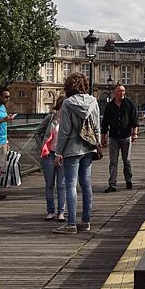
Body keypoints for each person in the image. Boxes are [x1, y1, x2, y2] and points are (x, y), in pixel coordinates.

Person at [53, 72, 100, 234]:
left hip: (72, 148)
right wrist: (97, 144)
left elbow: (65, 131)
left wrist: (58, 152)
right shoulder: (93, 101)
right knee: (86, 184)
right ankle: (86, 221)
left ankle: (71, 223)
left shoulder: (67, 103)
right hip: (88, 146)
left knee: (70, 185)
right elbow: (97, 126)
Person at [100, 83, 138, 193]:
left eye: (123, 91)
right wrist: (103, 136)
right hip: (113, 137)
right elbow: (105, 122)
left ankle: (128, 180)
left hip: (126, 135)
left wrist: (134, 133)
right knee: (113, 161)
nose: (121, 93)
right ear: (115, 93)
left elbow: (134, 119)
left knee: (127, 160)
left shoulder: (129, 104)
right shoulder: (110, 106)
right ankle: (112, 184)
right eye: (119, 91)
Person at [38, 95, 66, 220]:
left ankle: (61, 212)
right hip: (49, 154)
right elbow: (38, 132)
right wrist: (42, 145)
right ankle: (51, 211)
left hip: (63, 155)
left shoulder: (68, 120)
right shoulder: (50, 118)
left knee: (62, 185)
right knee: (49, 184)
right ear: (60, 105)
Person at [0, 87, 15, 202]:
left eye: (9, 96)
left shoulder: (3, 107)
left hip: (2, 141)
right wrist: (4, 119)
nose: (8, 99)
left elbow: (4, 126)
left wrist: (6, 141)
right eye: (6, 96)